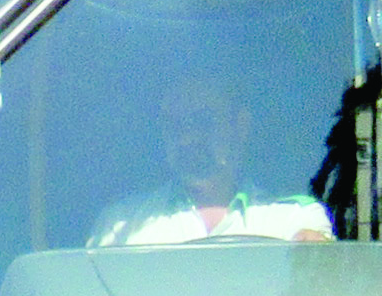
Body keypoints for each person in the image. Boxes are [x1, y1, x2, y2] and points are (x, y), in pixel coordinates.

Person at [90, 67, 335, 249]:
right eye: (173, 124)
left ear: (240, 125)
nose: (186, 138)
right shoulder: (122, 226)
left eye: (201, 121)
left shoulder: (294, 218)